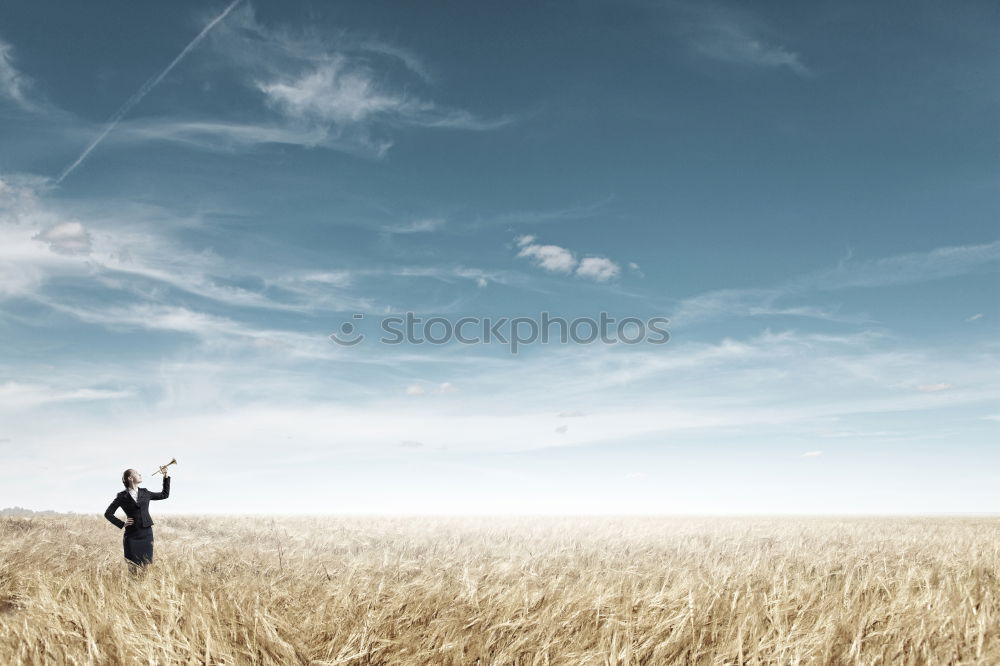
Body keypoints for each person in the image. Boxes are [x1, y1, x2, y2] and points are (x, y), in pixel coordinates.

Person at [103, 465, 171, 571]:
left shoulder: (145, 492)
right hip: (131, 535)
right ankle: (132, 586)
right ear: (130, 478)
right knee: (132, 567)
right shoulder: (121, 496)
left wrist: (165, 475)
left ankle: (144, 587)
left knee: (145, 566)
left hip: (146, 533)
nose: (140, 474)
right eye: (136, 473)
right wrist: (122, 523)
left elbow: (164, 495)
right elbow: (108, 513)